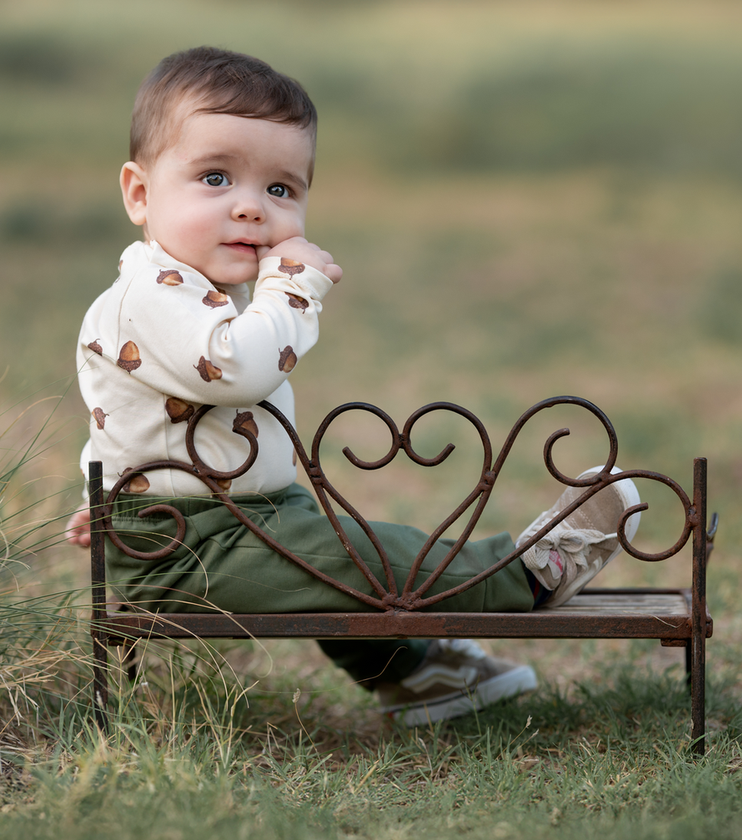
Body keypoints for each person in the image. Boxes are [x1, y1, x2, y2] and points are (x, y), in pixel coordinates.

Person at [67, 46, 640, 727]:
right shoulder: (149, 296)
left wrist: (104, 497)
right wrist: (292, 287)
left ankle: (416, 672)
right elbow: (239, 369)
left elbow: (122, 417)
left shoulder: (189, 290)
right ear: (140, 194)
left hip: (218, 518)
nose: (251, 209)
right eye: (215, 178)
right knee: (352, 559)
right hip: (187, 546)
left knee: (333, 555)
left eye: (281, 190)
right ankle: (526, 573)